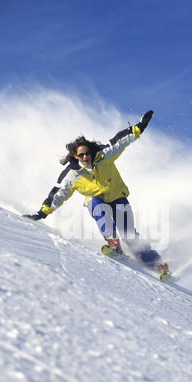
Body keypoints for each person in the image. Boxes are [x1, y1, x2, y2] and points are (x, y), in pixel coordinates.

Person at [24, 110, 169, 273]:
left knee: (130, 236)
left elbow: (120, 141)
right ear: (75, 156)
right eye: (81, 155)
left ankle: (159, 265)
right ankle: (114, 245)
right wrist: (41, 213)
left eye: (87, 153)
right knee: (95, 204)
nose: (86, 157)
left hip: (118, 199)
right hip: (98, 202)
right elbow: (58, 195)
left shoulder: (103, 155)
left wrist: (140, 127)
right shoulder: (72, 175)